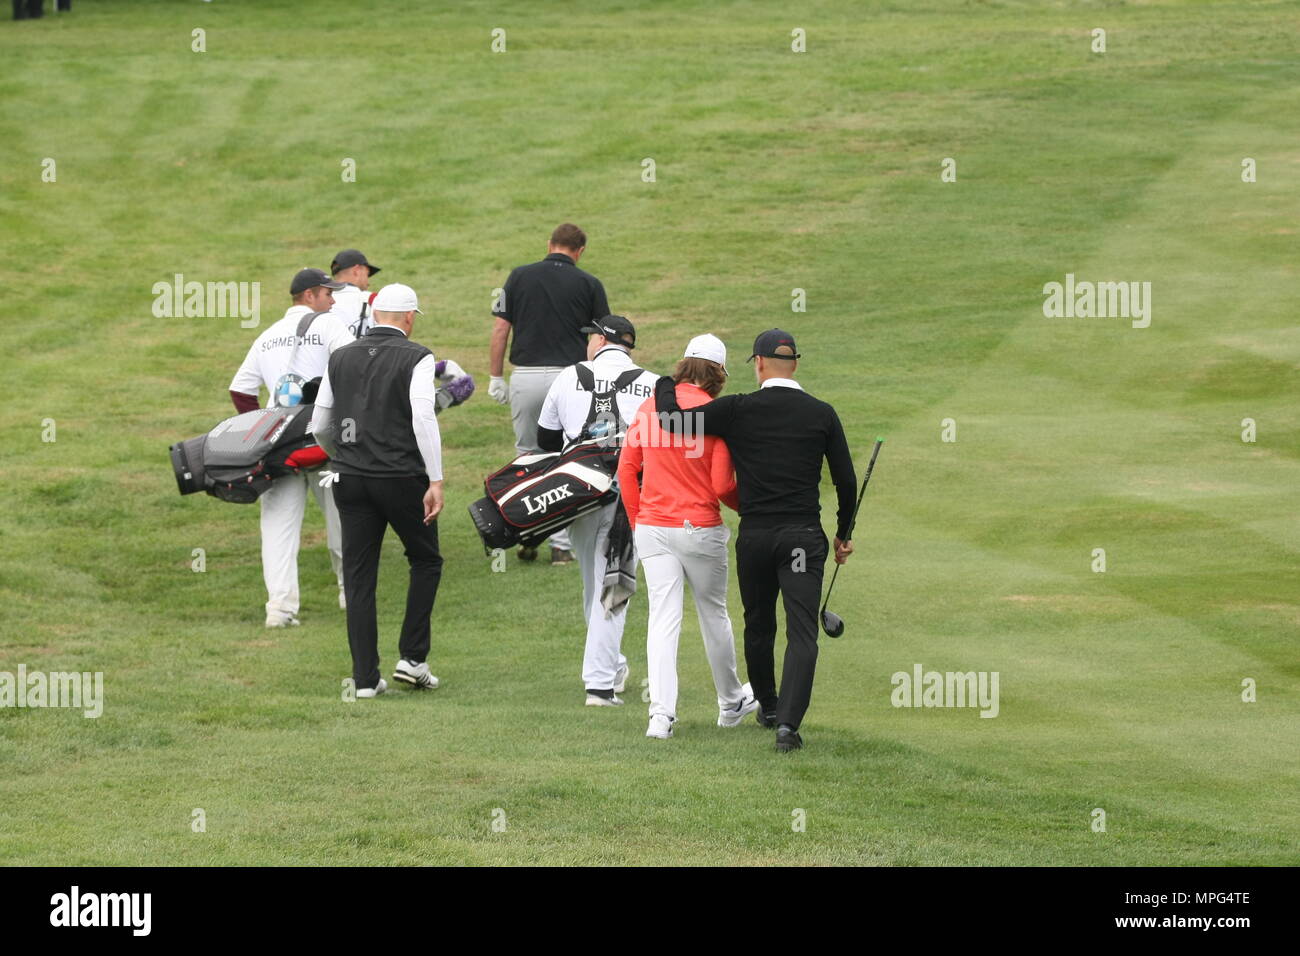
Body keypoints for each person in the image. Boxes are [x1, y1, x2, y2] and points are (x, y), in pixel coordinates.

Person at [653, 330, 857, 752]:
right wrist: (843, 534)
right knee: (802, 632)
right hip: (801, 539)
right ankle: (787, 726)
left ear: (759, 364)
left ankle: (766, 705)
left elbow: (672, 421)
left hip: (757, 538)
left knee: (759, 622)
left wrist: (663, 384)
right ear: (795, 364)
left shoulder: (739, 409)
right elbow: (846, 480)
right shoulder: (821, 413)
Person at [618, 334, 758, 739]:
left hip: (653, 527)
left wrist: (637, 521)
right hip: (700, 528)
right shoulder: (717, 415)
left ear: (683, 365)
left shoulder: (649, 408)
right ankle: (731, 702)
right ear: (717, 374)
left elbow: (627, 470)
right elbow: (720, 485)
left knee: (663, 618)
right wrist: (746, 507)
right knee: (714, 614)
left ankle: (660, 716)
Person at [310, 283, 445, 699]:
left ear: (374, 311)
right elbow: (423, 415)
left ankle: (365, 678)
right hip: (402, 476)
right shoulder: (418, 356)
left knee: (358, 575)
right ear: (409, 317)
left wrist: (342, 455)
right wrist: (435, 478)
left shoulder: (341, 356)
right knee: (425, 560)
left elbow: (319, 425)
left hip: (350, 478)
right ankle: (413, 659)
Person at [536, 315, 658, 707]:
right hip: (628, 499)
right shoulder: (653, 383)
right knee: (614, 586)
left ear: (601, 341)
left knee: (595, 585)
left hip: (577, 496)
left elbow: (545, 440)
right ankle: (600, 686)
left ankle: (611, 669)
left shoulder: (569, 375)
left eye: (591, 336)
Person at [229, 267, 353, 627]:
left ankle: (280, 609)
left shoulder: (267, 335)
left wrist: (260, 431)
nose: (332, 300)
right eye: (328, 294)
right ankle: (350, 592)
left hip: (279, 446)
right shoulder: (329, 325)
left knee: (278, 528)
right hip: (324, 441)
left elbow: (240, 390)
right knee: (343, 519)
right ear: (311, 295)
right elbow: (352, 368)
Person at [489, 223, 611, 565]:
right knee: (567, 457)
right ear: (580, 250)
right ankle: (560, 546)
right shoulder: (589, 283)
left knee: (527, 454)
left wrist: (496, 377)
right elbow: (602, 338)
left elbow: (500, 329)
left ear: (549, 244)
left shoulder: (517, 276)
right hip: (570, 379)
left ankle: (525, 532)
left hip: (525, 377)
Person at [328, 248, 380, 338]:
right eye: (367, 274)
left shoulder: (320, 302)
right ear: (357, 270)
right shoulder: (373, 299)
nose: (368, 282)